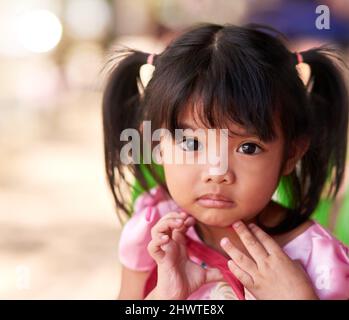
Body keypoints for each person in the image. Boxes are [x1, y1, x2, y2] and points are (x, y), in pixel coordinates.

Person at [102, 23, 349, 300]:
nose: (217, 172)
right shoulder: (153, 234)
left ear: (291, 154)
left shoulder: (320, 262)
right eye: (191, 143)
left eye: (248, 147)